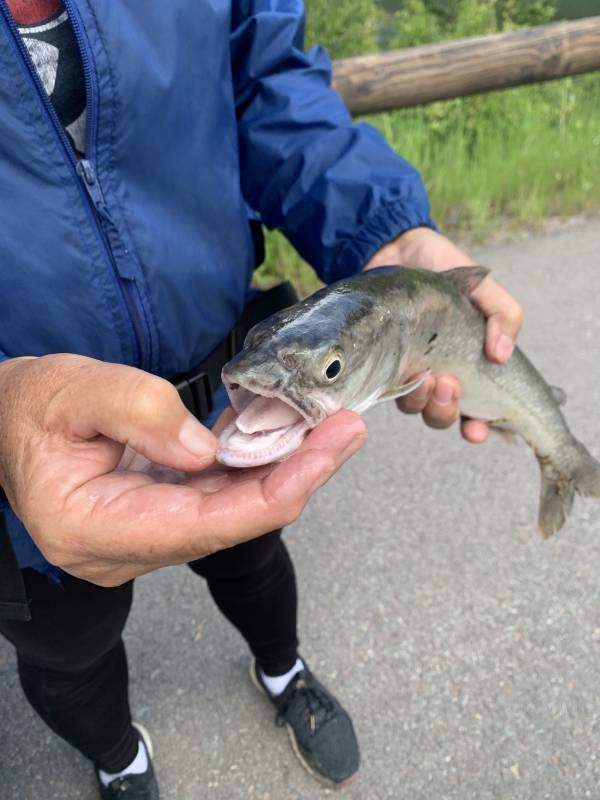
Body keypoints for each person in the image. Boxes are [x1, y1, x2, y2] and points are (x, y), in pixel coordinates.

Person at [0, 1, 523, 797]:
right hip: (18, 473)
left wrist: (380, 232)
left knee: (253, 561)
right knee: (68, 652)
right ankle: (118, 758)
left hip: (227, 387)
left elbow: (267, 78)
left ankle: (283, 672)